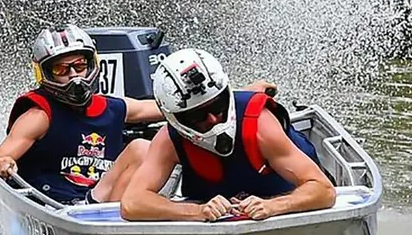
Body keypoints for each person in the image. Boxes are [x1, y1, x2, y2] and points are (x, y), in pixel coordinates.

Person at [0, 25, 276, 206]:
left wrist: (243, 93)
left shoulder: (113, 107)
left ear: (92, 64)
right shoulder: (39, 115)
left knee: (144, 148)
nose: (74, 77)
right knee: (139, 148)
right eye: (61, 70)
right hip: (56, 206)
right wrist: (3, 160)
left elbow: (172, 107)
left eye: (80, 66)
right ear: (44, 74)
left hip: (100, 205)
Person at [119, 48, 336, 222]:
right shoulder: (169, 139)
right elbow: (132, 203)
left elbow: (323, 190)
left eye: (218, 106)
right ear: (176, 118)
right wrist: (197, 211)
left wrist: (272, 206)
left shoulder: (260, 125)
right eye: (198, 115)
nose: (213, 119)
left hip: (287, 207)